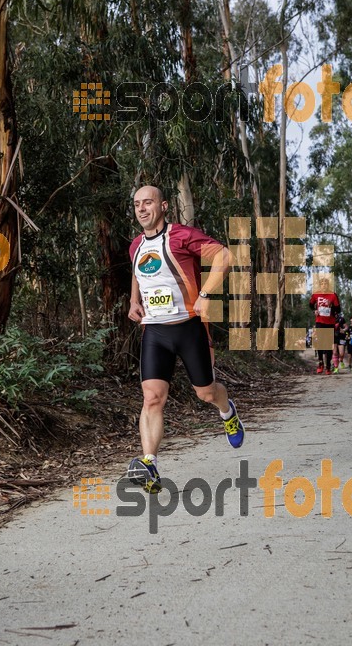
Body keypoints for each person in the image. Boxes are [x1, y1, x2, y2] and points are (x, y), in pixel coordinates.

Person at [127, 186, 244, 493]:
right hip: (155, 331)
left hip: (188, 327)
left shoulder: (181, 236)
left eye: (147, 202)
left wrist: (205, 294)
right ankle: (149, 464)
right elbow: (138, 273)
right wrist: (133, 301)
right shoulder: (136, 245)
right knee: (152, 398)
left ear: (163, 206)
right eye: (137, 204)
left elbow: (224, 255)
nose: (141, 209)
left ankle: (227, 411)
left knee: (205, 394)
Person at [309, 277, 341, 375]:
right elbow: (310, 304)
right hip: (320, 321)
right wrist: (314, 310)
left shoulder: (333, 295)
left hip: (330, 322)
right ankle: (320, 362)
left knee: (328, 345)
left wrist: (332, 308)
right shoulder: (315, 294)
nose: (324, 285)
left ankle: (328, 366)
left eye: (325, 284)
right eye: (322, 284)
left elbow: (338, 309)